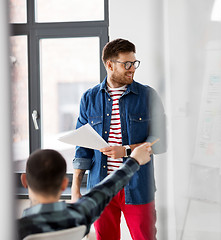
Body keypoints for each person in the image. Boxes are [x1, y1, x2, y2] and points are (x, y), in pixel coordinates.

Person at [71, 38, 167, 240]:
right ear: (109, 65)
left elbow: (160, 140)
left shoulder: (148, 96)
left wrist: (126, 150)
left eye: (134, 63)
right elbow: (82, 148)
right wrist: (75, 188)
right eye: (127, 64)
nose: (132, 68)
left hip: (138, 187)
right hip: (101, 188)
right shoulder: (89, 98)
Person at [17, 143, 153, 240]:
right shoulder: (80, 215)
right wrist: (134, 160)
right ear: (65, 183)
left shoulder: (14, 229)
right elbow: (107, 188)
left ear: (24, 181)